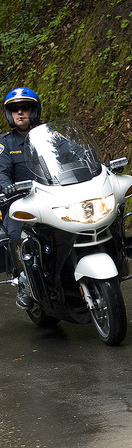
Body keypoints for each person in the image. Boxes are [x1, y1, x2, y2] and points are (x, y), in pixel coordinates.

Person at [0, 87, 42, 307]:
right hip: (18, 201)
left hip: (50, 198)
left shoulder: (50, 137)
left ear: (34, 110)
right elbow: (1, 171)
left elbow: (70, 158)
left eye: (25, 108)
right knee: (16, 233)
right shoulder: (5, 143)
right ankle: (23, 281)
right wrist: (6, 188)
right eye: (15, 109)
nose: (20, 113)